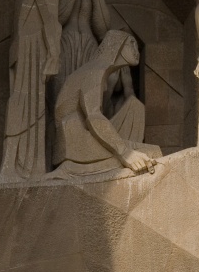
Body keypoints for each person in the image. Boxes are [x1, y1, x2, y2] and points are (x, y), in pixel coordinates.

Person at [0, 0, 66, 182]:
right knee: (32, 104)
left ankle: (15, 165)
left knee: (20, 101)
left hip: (19, 46)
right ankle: (27, 168)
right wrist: (54, 53)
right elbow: (50, 18)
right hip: (35, 47)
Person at [51, 30, 160, 178]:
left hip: (78, 139)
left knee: (151, 148)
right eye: (131, 44)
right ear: (117, 45)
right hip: (75, 143)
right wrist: (125, 153)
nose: (136, 51)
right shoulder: (95, 71)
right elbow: (93, 116)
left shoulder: (99, 71)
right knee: (152, 154)